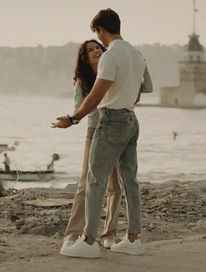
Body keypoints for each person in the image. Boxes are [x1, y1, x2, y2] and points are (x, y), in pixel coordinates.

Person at [52, 8, 153, 258]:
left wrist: (73, 118)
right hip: (131, 119)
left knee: (95, 181)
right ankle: (133, 239)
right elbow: (139, 92)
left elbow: (96, 97)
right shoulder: (136, 53)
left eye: (96, 33)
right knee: (130, 181)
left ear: (101, 30)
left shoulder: (110, 57)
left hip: (111, 122)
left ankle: (88, 242)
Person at [62, 39, 123, 251]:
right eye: (90, 50)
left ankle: (109, 234)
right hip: (94, 131)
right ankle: (73, 234)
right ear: (85, 58)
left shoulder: (113, 70)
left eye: (98, 47)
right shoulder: (82, 81)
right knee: (84, 184)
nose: (96, 50)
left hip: (115, 130)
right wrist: (95, 95)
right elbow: (79, 108)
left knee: (115, 186)